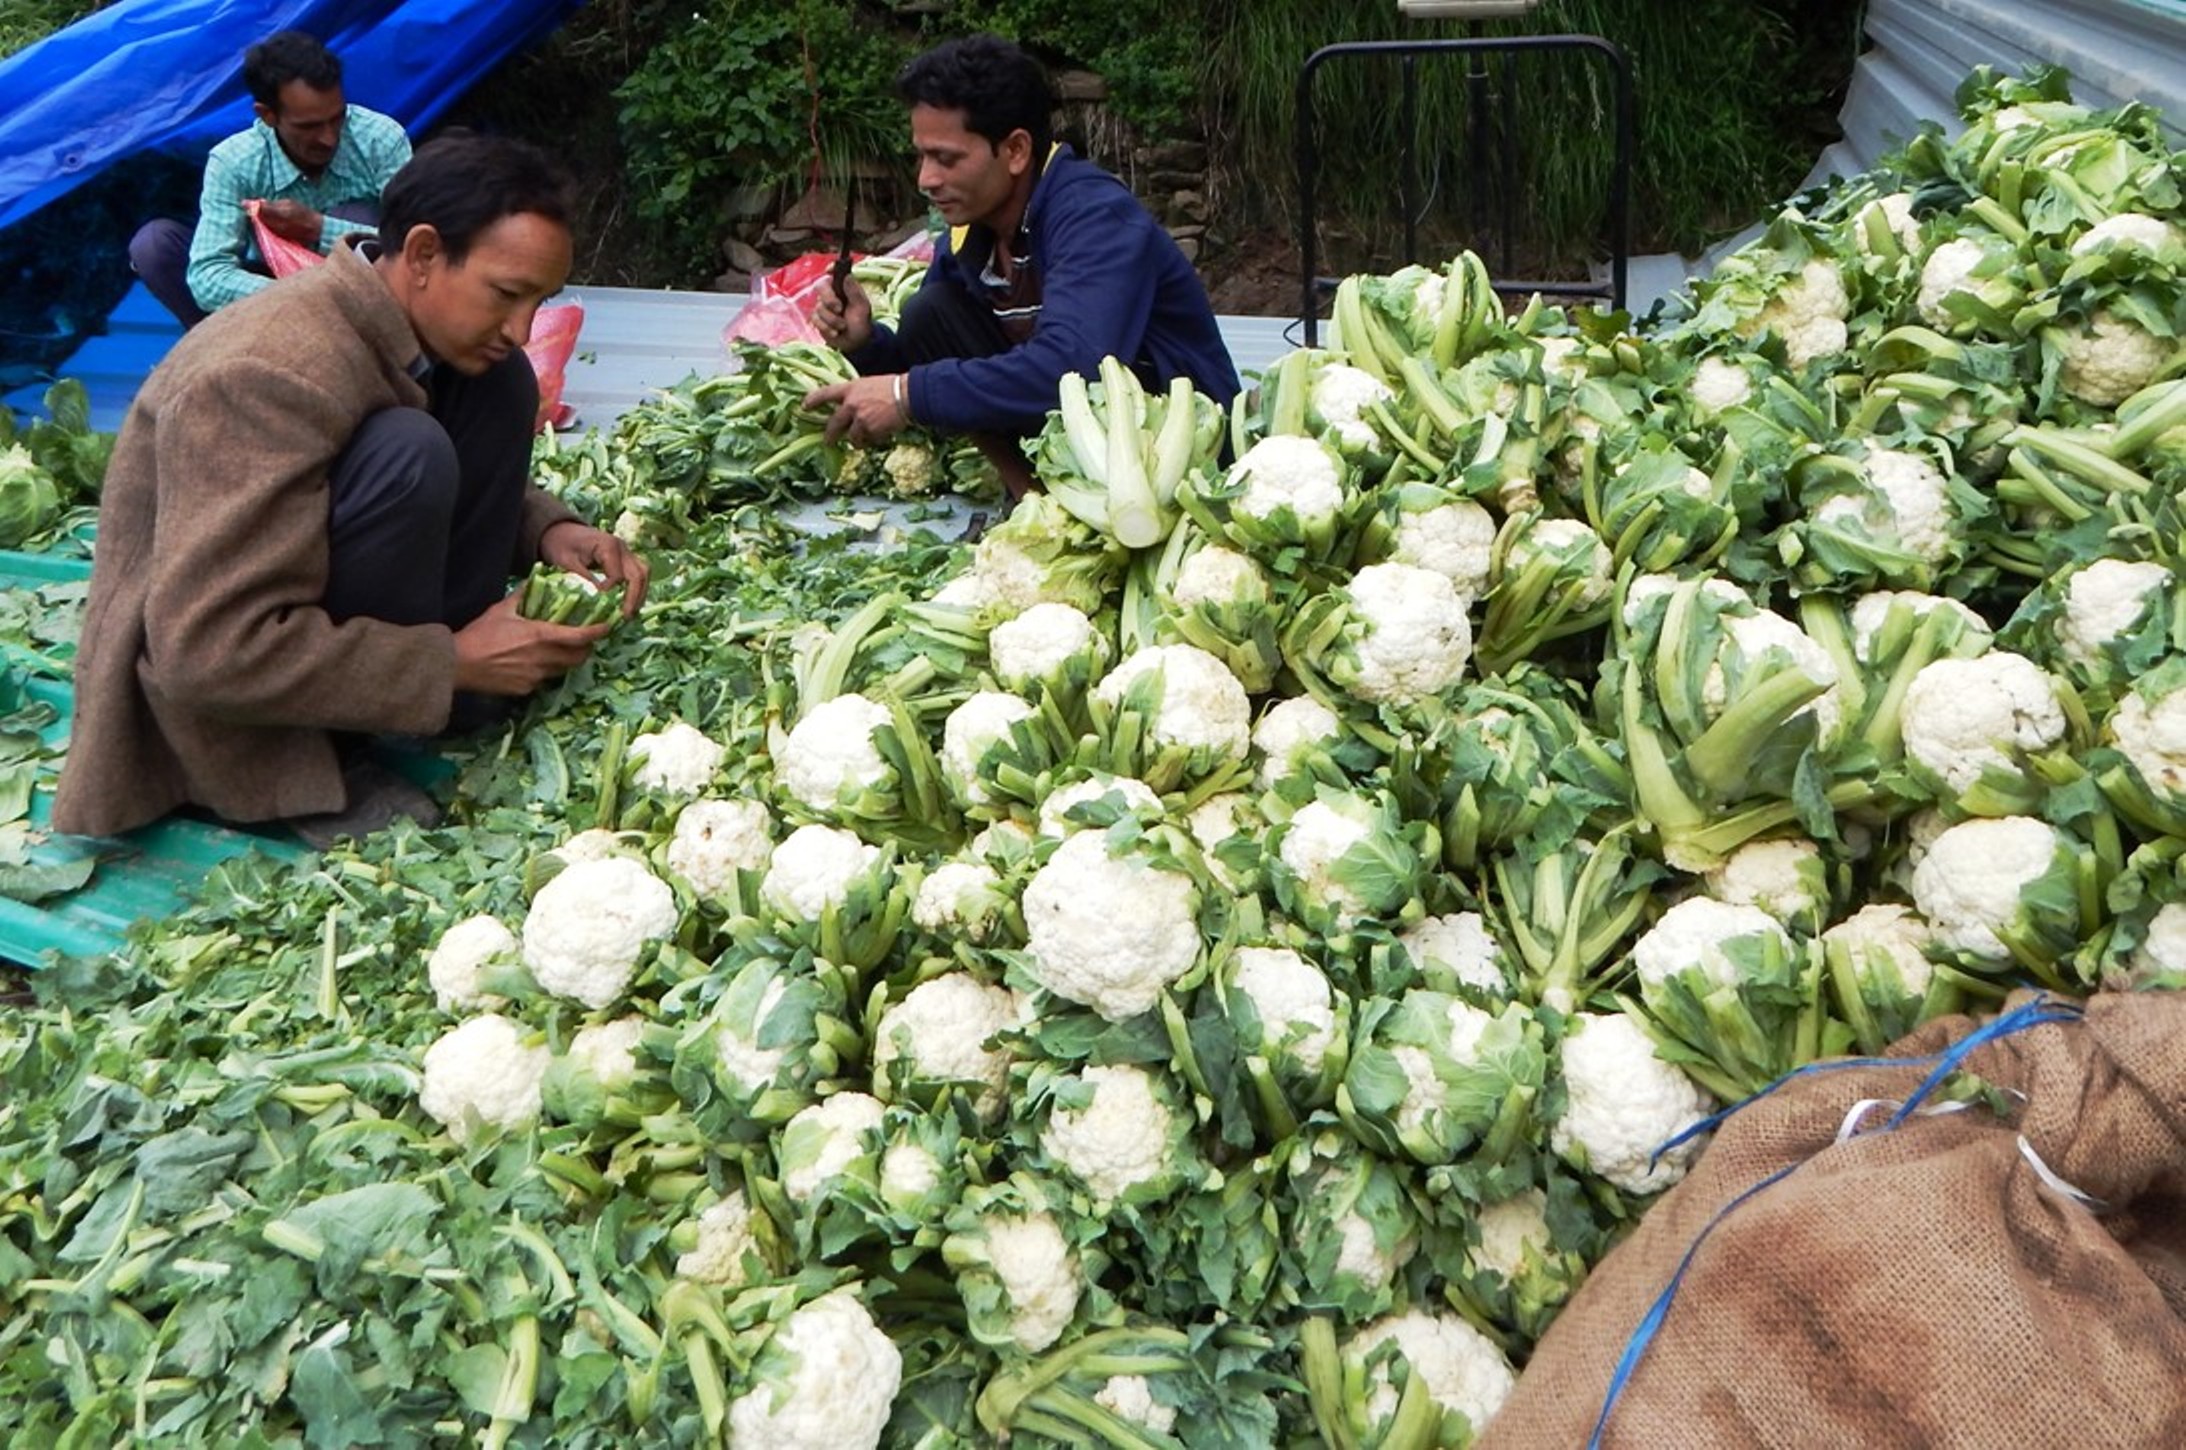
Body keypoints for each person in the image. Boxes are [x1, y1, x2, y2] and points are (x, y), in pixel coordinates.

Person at [55, 133, 647, 848]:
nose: (523, 328)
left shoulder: (397, 321)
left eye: (540, 301)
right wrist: (448, 662)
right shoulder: (267, 372)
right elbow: (206, 655)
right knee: (407, 450)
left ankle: (441, 687)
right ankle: (323, 756)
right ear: (425, 255)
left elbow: (384, 459)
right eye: (507, 294)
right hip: (210, 706)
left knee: (496, 386)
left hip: (303, 618)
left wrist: (547, 527)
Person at [804, 34, 1239, 495]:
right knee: (928, 314)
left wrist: (905, 396)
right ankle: (1031, 498)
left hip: (1183, 450)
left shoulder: (1094, 216)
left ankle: (1105, 507)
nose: (926, 179)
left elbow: (1073, 367)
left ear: (1015, 151)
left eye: (946, 159)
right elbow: (924, 362)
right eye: (922, 156)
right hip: (1091, 438)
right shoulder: (972, 233)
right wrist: (865, 343)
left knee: (1032, 371)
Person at [128, 30, 412, 328]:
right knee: (154, 246)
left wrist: (319, 228)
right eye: (309, 126)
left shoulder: (379, 138)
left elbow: (416, 243)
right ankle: (223, 352)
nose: (329, 138)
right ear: (267, 116)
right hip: (271, 301)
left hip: (365, 298)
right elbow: (207, 275)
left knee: (356, 223)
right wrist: (301, 297)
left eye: (337, 118)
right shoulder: (234, 161)